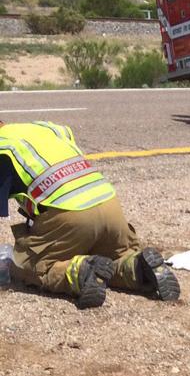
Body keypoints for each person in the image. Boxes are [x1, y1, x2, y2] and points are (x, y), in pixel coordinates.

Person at [0, 120, 179, 309]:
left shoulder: (4, 148)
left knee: (31, 265)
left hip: (71, 214)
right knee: (113, 256)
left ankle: (82, 272)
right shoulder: (40, 128)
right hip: (109, 205)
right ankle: (137, 267)